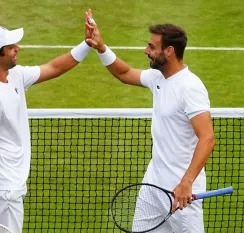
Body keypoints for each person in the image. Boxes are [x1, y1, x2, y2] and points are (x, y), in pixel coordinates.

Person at [85, 9, 216, 233]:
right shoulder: (158, 77)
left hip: (180, 193)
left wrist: (186, 182)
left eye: (151, 47)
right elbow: (124, 73)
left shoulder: (190, 87)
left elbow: (208, 138)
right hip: (152, 185)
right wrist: (101, 47)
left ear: (170, 51)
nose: (146, 51)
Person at [0, 24, 92, 233]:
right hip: (2, 192)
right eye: (10, 47)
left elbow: (54, 68)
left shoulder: (14, 76)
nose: (18, 47)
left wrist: (87, 44)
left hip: (10, 187)